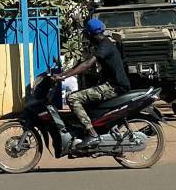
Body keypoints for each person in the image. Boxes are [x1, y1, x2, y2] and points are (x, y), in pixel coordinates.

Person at [53, 18, 130, 147]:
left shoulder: (105, 47)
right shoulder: (103, 45)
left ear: (90, 34)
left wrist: (65, 77)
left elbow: (88, 64)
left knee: (72, 98)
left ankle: (92, 133)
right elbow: (81, 63)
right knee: (80, 96)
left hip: (114, 87)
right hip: (110, 84)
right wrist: (62, 75)